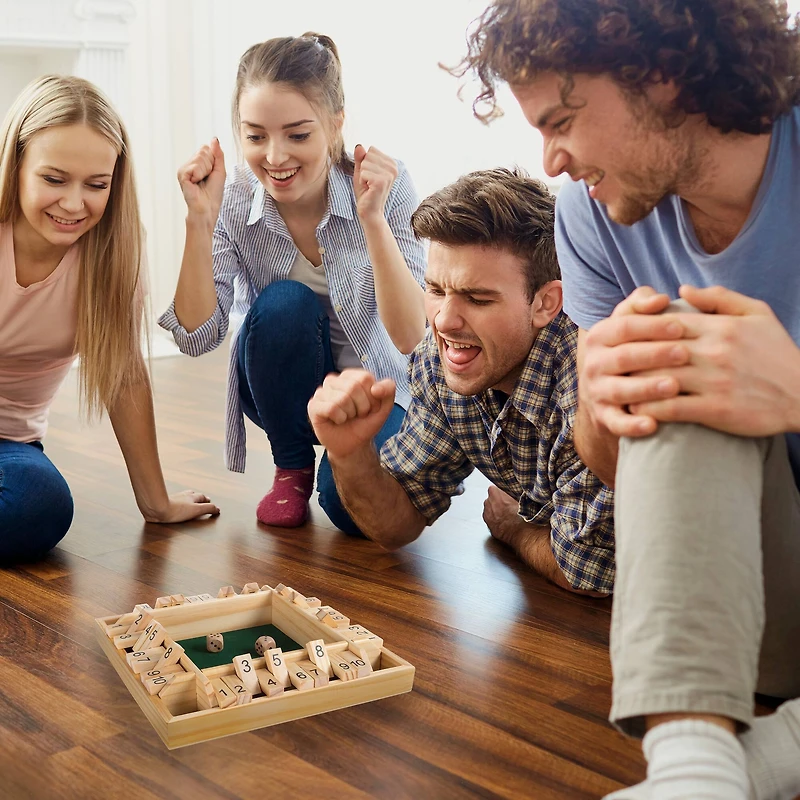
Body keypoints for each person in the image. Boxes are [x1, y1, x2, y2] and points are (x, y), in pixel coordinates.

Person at [455, 1, 800, 798]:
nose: (550, 160)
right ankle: (691, 765)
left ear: (664, 74)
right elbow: (615, 469)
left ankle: (749, 764)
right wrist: (599, 406)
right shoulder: (590, 215)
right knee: (665, 348)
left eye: (564, 119)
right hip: (758, 601)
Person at [160, 33, 426, 531]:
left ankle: (333, 468)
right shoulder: (235, 197)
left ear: (335, 125)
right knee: (283, 303)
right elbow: (196, 337)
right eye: (256, 136)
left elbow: (412, 335)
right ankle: (292, 464)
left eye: (298, 135)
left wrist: (374, 220)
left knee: (352, 513)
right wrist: (200, 220)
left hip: (376, 384)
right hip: (283, 386)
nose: (275, 157)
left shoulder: (387, 185)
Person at [308, 168, 615, 594]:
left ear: (546, 303)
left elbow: (589, 573)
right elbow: (398, 524)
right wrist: (351, 453)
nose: (445, 321)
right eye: (436, 290)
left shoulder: (588, 388)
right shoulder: (442, 361)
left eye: (477, 298)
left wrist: (513, 529)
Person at [0, 75, 219, 563]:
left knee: (39, 503)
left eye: (96, 184)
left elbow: (123, 375)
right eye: (54, 179)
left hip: (9, 448)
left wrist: (156, 502)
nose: (74, 204)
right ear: (16, 164)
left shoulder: (113, 253)